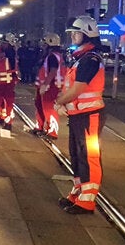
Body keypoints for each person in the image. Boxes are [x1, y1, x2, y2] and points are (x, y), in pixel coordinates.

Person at [54, 15, 105, 215]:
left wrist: (59, 101)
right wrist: (63, 100)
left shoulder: (90, 60)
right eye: (72, 33)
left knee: (88, 156)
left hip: (89, 116)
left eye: (76, 32)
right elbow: (71, 89)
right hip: (78, 116)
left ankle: (88, 201)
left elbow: (77, 89)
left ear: (87, 34)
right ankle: (78, 192)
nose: (73, 36)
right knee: (76, 155)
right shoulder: (80, 59)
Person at [32, 33, 64, 139]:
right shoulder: (52, 55)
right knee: (40, 106)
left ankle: (52, 132)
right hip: (46, 86)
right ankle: (41, 127)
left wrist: (45, 85)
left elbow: (53, 71)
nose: (43, 46)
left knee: (49, 108)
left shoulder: (52, 56)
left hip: (51, 86)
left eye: (45, 44)